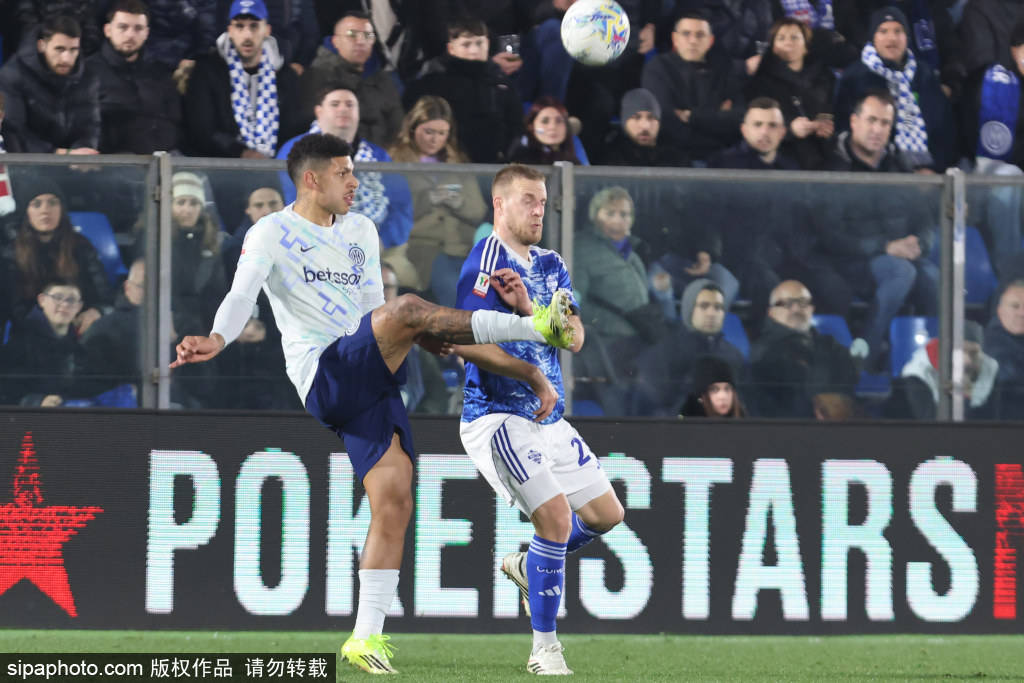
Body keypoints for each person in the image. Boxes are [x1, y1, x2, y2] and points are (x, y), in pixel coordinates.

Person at [169, 134, 575, 675]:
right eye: (344, 173)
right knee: (407, 306)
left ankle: (365, 639)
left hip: (370, 378)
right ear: (311, 179)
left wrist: (419, 337)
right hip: (325, 372)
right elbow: (243, 293)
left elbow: (371, 311)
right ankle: (537, 323)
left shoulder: (361, 229)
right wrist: (218, 338)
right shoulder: (271, 231)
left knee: (395, 497)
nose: (355, 182)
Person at [454, 163, 624, 676]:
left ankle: (530, 564)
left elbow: (575, 337)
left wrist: (530, 307)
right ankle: (544, 649)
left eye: (543, 202)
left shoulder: (551, 264)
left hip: (547, 418)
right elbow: (463, 340)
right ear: (499, 204)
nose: (537, 211)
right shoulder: (486, 261)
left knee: (606, 515)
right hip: (498, 416)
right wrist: (531, 374)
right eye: (527, 200)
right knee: (553, 518)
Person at [822, 90, 938, 371]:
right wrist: (885, 247)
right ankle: (865, 354)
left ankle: (930, 362)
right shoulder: (833, 166)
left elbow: (924, 218)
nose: (877, 129)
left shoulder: (900, 165)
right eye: (871, 120)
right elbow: (828, 234)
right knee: (902, 271)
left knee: (935, 277)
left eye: (885, 123)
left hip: (898, 258)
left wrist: (919, 243)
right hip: (851, 263)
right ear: (854, 121)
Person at [387, 95, 488, 303]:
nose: (435, 139)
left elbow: (478, 211)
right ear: (413, 128)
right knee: (454, 288)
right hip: (421, 247)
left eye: (442, 133)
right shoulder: (395, 162)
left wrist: (459, 203)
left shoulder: (457, 162)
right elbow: (389, 211)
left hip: (461, 248)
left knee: (484, 290)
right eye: (429, 132)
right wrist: (428, 199)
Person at [833, 6, 955, 172]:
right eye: (883, 31)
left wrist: (935, 168)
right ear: (873, 37)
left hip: (930, 172)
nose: (891, 38)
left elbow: (944, 127)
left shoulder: (924, 74)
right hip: (876, 171)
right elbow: (843, 129)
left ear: (907, 37)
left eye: (898, 31)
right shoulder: (854, 76)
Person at [182, 0, 302, 160]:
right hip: (217, 163)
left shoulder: (285, 76)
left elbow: (291, 129)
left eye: (254, 26)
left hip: (274, 165)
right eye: (240, 26)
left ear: (267, 30)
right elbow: (202, 129)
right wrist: (241, 152)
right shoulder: (206, 70)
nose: (247, 35)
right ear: (230, 31)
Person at [402, 17, 523, 163]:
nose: (474, 50)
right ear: (451, 48)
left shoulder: (502, 85)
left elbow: (516, 128)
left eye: (479, 43)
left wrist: (505, 156)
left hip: (493, 166)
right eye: (466, 44)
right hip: (446, 165)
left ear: (487, 44)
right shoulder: (429, 85)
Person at [1, 179, 113, 331]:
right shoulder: (12, 252)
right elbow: (15, 308)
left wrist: (97, 311)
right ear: (26, 212)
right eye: (36, 204)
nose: (45, 210)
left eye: (53, 203)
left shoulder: (81, 246)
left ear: (62, 209)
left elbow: (105, 296)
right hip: (32, 331)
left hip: (78, 326)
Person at [641, 11, 745, 163]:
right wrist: (716, 116)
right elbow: (664, 120)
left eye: (700, 35)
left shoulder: (724, 68)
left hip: (721, 157)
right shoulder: (657, 67)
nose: (693, 40)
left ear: (710, 41)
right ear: (675, 39)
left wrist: (691, 116)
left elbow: (738, 118)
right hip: (673, 158)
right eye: (686, 34)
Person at [632, 279, 746, 416]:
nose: (711, 313)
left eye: (718, 307)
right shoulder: (665, 352)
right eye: (704, 306)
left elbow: (744, 403)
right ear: (689, 308)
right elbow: (653, 405)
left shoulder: (733, 355)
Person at [750, 279, 859, 418]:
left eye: (802, 302)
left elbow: (849, 379)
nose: (796, 309)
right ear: (771, 312)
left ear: (811, 308)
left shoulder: (830, 344)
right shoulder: (762, 351)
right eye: (787, 303)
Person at [88, 0, 182, 154]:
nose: (130, 35)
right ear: (107, 30)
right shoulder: (88, 71)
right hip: (111, 160)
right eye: (123, 27)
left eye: (138, 28)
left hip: (165, 156)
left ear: (147, 33)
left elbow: (175, 119)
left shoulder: (160, 72)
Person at [298, 11, 403, 147]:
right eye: (352, 34)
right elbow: (307, 126)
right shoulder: (316, 77)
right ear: (335, 41)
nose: (361, 41)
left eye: (368, 35)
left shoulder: (384, 80)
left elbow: (397, 127)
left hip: (380, 156)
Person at [0, 15, 100, 155]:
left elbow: (89, 126)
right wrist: (59, 153)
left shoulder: (87, 77)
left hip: (73, 160)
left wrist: (82, 152)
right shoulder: (13, 75)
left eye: (73, 50)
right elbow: (14, 131)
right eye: (59, 49)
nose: (66, 59)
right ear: (41, 45)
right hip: (28, 162)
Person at [745, 17, 836, 169]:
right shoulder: (762, 81)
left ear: (806, 46)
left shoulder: (824, 77)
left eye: (794, 37)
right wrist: (790, 129)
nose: (788, 42)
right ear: (773, 47)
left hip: (821, 153)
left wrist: (826, 125)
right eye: (781, 38)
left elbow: (832, 110)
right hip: (780, 155)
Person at [884, 320, 1000, 420]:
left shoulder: (989, 368)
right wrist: (961, 395)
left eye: (973, 352)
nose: (968, 360)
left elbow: (992, 420)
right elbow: (933, 424)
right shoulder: (918, 374)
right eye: (961, 351)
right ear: (946, 351)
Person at [0, 279, 89, 407]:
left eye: (71, 300)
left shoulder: (80, 346)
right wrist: (36, 401)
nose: (64, 304)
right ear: (42, 300)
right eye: (57, 297)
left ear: (79, 307)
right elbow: (6, 388)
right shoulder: (20, 340)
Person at [598, 87, 689, 167]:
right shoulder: (611, 160)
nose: (645, 126)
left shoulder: (677, 159)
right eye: (636, 118)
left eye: (651, 117)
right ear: (625, 122)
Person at [985, 279, 1024, 418]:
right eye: (1015, 306)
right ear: (1000, 311)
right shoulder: (993, 342)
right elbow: (1007, 377)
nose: (1022, 313)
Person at [508, 96, 582, 165]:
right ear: (531, 126)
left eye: (559, 121)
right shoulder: (520, 161)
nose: (552, 127)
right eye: (545, 121)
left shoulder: (572, 161)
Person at [679, 354, 746, 417]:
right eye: (714, 390)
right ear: (702, 396)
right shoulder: (685, 422)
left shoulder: (745, 421)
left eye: (727, 389)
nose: (722, 396)